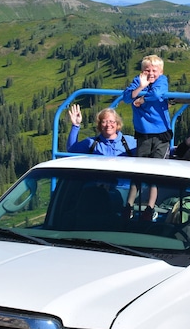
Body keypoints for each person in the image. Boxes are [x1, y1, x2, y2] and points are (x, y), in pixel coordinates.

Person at [122, 54, 171, 219]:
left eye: (154, 70)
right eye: (146, 70)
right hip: (143, 134)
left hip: (160, 134)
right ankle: (128, 206)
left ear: (161, 71)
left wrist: (141, 99)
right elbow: (126, 98)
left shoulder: (162, 80)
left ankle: (149, 208)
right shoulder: (138, 81)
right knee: (138, 172)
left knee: (154, 172)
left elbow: (157, 94)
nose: (151, 73)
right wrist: (140, 87)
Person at [66, 105, 137, 156]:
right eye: (104, 122)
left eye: (112, 121)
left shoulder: (130, 142)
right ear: (99, 124)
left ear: (117, 123)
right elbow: (72, 149)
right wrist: (75, 125)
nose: (108, 125)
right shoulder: (91, 143)